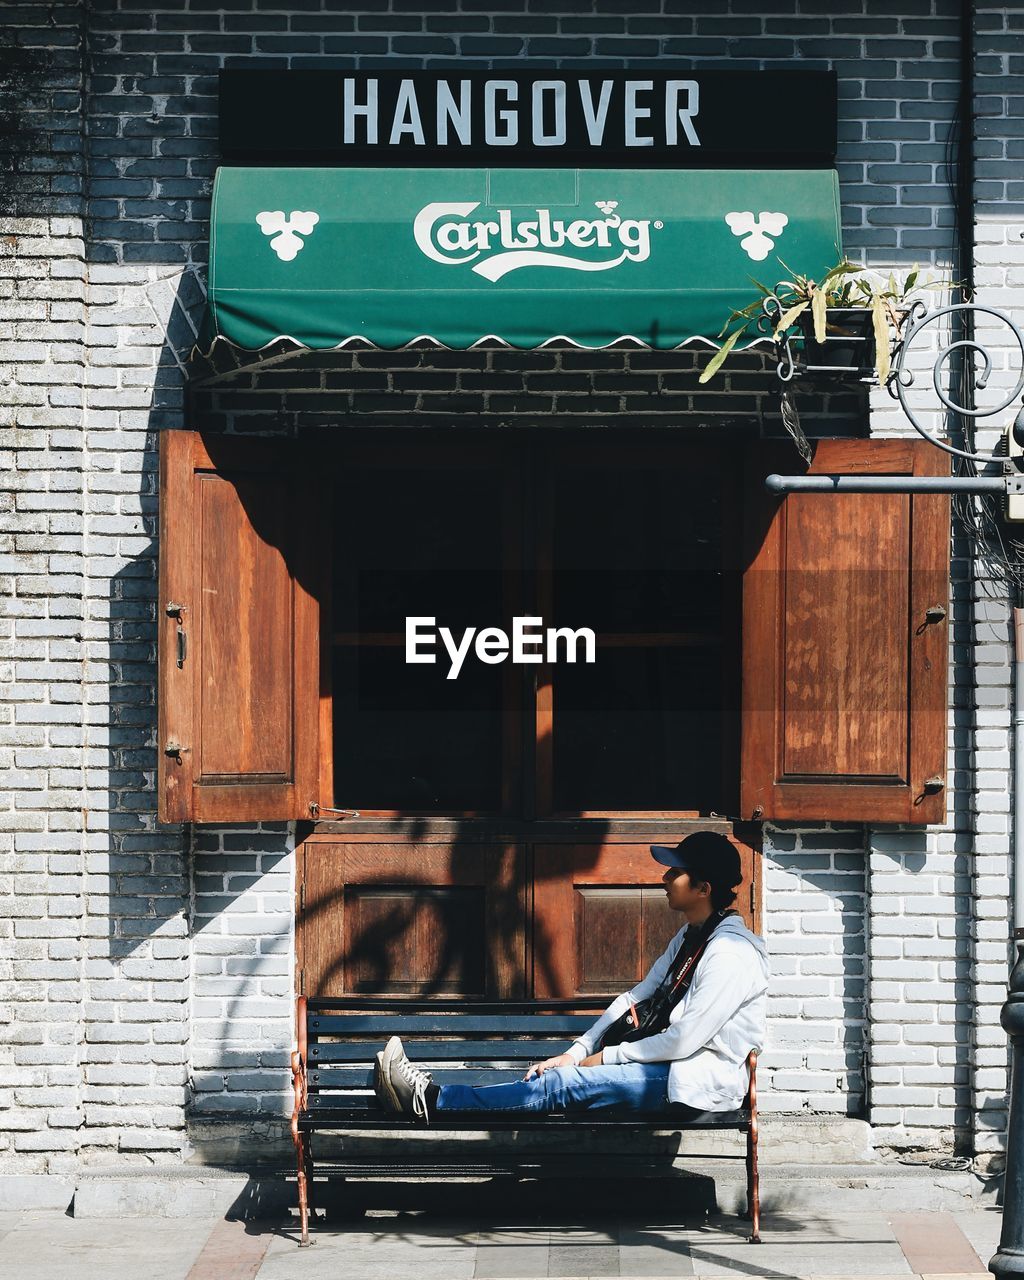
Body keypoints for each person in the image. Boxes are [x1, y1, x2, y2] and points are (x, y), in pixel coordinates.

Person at [373, 831, 769, 1124]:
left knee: (562, 1086)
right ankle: (435, 1098)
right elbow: (634, 999)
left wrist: (602, 1059)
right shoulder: (691, 935)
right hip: (668, 1069)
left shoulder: (731, 953)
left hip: (696, 1085)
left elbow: (685, 1039)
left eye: (675, 872)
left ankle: (430, 1099)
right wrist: (577, 1053)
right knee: (565, 1074)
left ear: (703, 887)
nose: (665, 878)